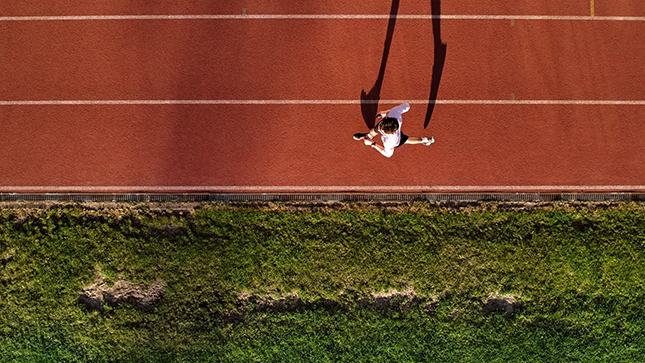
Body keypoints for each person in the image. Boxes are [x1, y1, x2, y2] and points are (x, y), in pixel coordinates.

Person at [353, 103, 434, 157]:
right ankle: (368, 136)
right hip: (395, 131)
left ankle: (425, 140)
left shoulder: (389, 142)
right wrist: (387, 112)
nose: (380, 127)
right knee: (374, 130)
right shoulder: (395, 113)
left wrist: (373, 144)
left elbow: (388, 154)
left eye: (382, 129)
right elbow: (407, 105)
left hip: (397, 139)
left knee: (406, 140)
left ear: (384, 131)